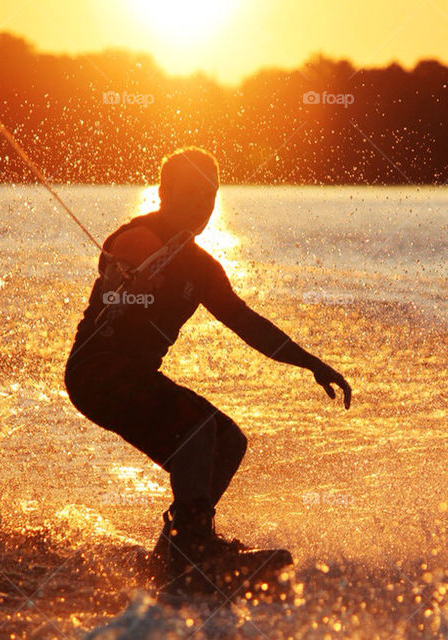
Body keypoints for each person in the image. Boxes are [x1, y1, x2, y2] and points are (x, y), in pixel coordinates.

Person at [64, 147, 351, 590]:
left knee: (228, 440)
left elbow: (247, 324)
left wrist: (310, 363)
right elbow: (118, 262)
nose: (202, 207)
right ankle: (194, 549)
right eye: (191, 195)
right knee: (198, 430)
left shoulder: (202, 267)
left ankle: (172, 551)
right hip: (97, 370)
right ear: (163, 194)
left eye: (210, 197)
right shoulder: (138, 236)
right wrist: (128, 279)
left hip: (135, 377)